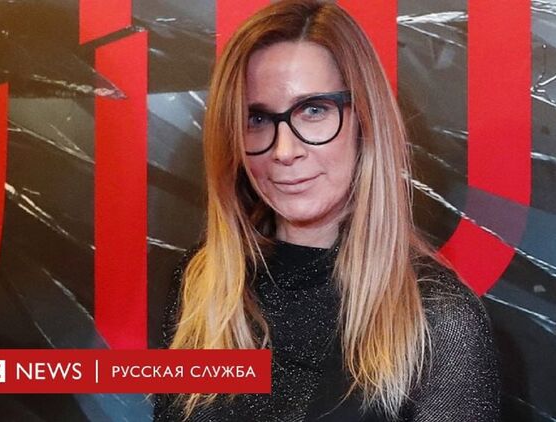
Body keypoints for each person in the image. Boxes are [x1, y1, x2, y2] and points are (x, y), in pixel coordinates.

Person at [154, 0, 500, 420]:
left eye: (314, 110)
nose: (284, 151)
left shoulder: (439, 320)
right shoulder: (201, 284)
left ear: (364, 119)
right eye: (257, 119)